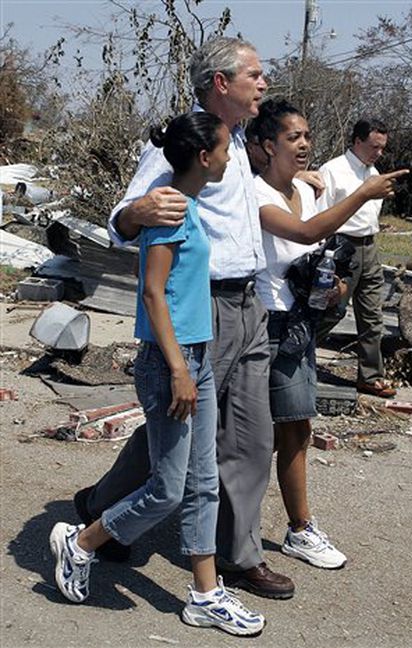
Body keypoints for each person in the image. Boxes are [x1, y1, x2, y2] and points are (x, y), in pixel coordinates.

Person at [73, 37, 294, 601]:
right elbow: (124, 217)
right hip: (201, 308)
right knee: (179, 428)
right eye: (255, 75)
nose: (264, 84)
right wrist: (133, 214)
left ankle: (238, 556)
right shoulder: (189, 142)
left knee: (249, 435)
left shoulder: (240, 145)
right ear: (221, 82)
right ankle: (104, 510)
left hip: (247, 304)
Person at [49, 112, 265, 636]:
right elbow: (152, 294)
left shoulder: (184, 204)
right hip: (170, 363)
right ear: (204, 158)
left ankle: (206, 595)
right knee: (168, 490)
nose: (232, 156)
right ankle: (80, 543)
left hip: (194, 356)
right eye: (225, 150)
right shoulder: (167, 211)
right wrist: (178, 371)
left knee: (203, 483)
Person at [249, 99, 408, 568]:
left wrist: (333, 284)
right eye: (292, 138)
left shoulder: (308, 188)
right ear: (265, 145)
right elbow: (300, 234)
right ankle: (231, 526)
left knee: (297, 428)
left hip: (299, 324)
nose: (303, 145)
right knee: (251, 438)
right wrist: (362, 194)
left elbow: (317, 250)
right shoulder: (257, 194)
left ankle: (299, 529)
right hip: (265, 324)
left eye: (306, 136)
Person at [317, 118, 397, 398]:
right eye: (374, 146)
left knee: (372, 314)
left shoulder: (375, 173)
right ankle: (295, 354)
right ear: (358, 141)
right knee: (332, 309)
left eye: (382, 148)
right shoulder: (333, 170)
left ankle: (371, 376)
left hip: (370, 245)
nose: (378, 153)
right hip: (341, 245)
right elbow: (320, 213)